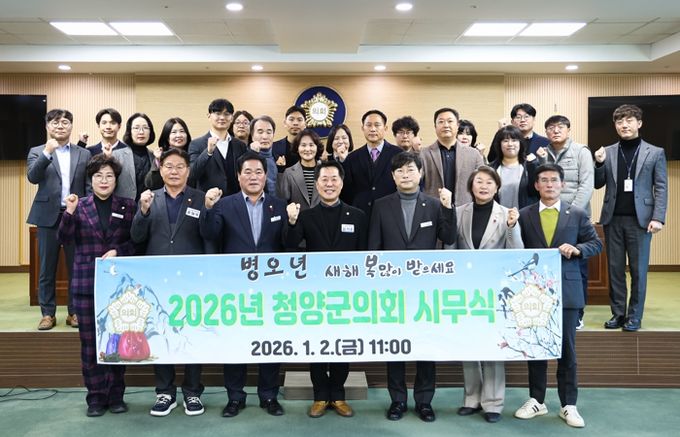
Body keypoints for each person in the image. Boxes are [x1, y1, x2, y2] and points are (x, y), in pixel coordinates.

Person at [368, 152, 456, 423]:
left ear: (421, 174)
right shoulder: (381, 205)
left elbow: (448, 236)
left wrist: (448, 208)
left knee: (425, 346)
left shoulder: (434, 205)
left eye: (410, 170)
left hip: (425, 291)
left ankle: (424, 401)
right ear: (393, 177)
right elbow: (374, 247)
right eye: (400, 171)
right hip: (391, 290)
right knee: (394, 346)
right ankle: (397, 400)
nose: (405, 175)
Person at [200, 151, 287, 418]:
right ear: (238, 177)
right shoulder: (224, 205)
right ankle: (235, 397)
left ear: (266, 175)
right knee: (234, 341)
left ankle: (269, 395)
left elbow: (287, 243)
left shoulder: (279, 205)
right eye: (247, 172)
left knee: (270, 342)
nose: (253, 177)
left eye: (258, 172)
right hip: (234, 287)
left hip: (271, 287)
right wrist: (208, 208)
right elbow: (209, 234)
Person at [514, 163, 602, 428]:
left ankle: (568, 404)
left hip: (567, 291)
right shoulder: (524, 214)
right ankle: (536, 400)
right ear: (536, 185)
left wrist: (577, 249)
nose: (549, 184)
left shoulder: (577, 214)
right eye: (544, 180)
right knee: (537, 348)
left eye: (554, 180)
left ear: (562, 184)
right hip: (534, 294)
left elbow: (596, 243)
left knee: (567, 351)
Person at [285, 160, 367, 418]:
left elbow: (364, 255)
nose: (329, 184)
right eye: (324, 179)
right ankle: (320, 396)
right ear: (317, 184)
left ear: (342, 183)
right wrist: (291, 222)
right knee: (318, 345)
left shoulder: (357, 216)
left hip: (347, 294)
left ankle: (338, 396)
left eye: (334, 179)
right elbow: (289, 247)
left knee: (342, 345)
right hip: (315, 294)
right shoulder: (306, 216)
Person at [57, 154, 137, 417]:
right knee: (90, 344)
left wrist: (118, 251)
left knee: (116, 342)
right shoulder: (78, 206)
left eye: (109, 176)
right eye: (98, 176)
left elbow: (136, 242)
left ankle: (116, 396)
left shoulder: (128, 206)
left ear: (116, 180)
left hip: (118, 286)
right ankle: (95, 397)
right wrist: (68, 212)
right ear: (91, 180)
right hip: (86, 284)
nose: (104, 180)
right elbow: (64, 238)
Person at [131, 148, 209, 417]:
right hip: (158, 280)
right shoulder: (149, 198)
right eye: (169, 166)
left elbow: (209, 236)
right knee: (160, 334)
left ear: (188, 170)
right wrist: (142, 211)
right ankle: (165, 392)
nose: (174, 171)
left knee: (192, 335)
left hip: (193, 280)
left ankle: (192, 392)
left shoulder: (200, 198)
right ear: (160, 169)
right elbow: (137, 237)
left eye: (179, 166)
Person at [453, 166, 523, 424]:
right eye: (479, 182)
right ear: (471, 186)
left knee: (493, 345)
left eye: (489, 182)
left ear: (497, 188)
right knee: (469, 343)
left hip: (495, 290)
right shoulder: (459, 212)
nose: (483, 186)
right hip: (466, 289)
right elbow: (451, 250)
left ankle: (493, 402)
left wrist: (513, 227)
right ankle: (471, 398)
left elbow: (517, 253)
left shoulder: (507, 214)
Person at [594, 104, 668, 332]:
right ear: (615, 126)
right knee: (614, 270)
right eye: (619, 122)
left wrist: (658, 217)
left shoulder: (655, 152)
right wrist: (598, 163)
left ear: (639, 123)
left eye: (629, 121)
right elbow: (598, 183)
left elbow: (661, 187)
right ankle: (618, 314)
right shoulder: (607, 151)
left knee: (638, 271)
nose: (624, 125)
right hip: (612, 219)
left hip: (641, 221)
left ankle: (635, 316)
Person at [26, 108, 90, 330]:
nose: (60, 126)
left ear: (71, 126)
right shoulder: (37, 151)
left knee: (76, 267)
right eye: (55, 122)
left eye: (64, 122)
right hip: (47, 217)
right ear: (47, 127)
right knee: (47, 268)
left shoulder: (84, 153)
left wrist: (84, 207)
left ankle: (74, 312)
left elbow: (88, 186)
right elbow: (33, 177)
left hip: (75, 216)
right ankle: (47, 314)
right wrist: (47, 152)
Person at [536, 115, 594, 329]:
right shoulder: (542, 152)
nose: (555, 131)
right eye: (551, 128)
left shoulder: (581, 151)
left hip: (575, 216)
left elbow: (587, 184)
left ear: (568, 130)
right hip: (549, 214)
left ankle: (578, 313)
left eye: (560, 127)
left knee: (577, 267)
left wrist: (570, 212)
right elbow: (541, 182)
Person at [340, 109, 403, 217]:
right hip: (360, 215)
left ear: (385, 128)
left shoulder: (398, 154)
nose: (373, 129)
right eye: (368, 125)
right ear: (363, 128)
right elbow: (347, 191)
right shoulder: (352, 158)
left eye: (377, 125)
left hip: (390, 214)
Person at [421, 107, 484, 206]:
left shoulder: (474, 154)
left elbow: (482, 182)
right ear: (435, 127)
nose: (446, 125)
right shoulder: (423, 154)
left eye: (450, 121)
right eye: (441, 122)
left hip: (465, 209)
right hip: (433, 209)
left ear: (457, 125)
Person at [188, 98, 248, 195]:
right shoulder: (196, 144)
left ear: (232, 118)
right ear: (209, 116)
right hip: (209, 200)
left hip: (235, 199)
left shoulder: (240, 145)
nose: (222, 117)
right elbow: (192, 175)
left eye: (226, 114)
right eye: (218, 113)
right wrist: (208, 152)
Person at [487, 125, 539, 209]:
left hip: (524, 215)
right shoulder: (491, 169)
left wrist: (532, 165)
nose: (510, 144)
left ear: (520, 143)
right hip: (498, 215)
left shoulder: (530, 166)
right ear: (499, 144)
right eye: (505, 141)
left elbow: (536, 192)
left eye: (514, 140)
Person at [107, 113, 155, 202]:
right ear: (130, 131)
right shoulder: (116, 155)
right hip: (122, 206)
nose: (141, 132)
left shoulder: (154, 157)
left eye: (145, 128)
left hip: (149, 206)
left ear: (150, 131)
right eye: (136, 128)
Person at [276, 128, 322, 210]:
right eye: (303, 145)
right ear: (297, 148)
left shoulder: (325, 171)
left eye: (311, 145)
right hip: (297, 217)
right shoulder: (288, 173)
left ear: (317, 148)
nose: (307, 149)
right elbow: (283, 200)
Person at [145, 117, 192, 191]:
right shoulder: (161, 155)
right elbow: (150, 184)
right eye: (174, 132)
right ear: (167, 137)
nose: (178, 135)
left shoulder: (192, 154)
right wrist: (158, 160)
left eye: (182, 131)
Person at [248, 115, 279, 195]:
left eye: (269, 132)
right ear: (252, 136)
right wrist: (253, 154)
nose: (265, 137)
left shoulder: (278, 158)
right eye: (260, 132)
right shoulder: (245, 158)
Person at [272, 105, 306, 169]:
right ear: (285, 123)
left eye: (299, 120)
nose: (295, 123)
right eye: (291, 119)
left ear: (305, 124)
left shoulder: (311, 149)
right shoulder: (274, 147)